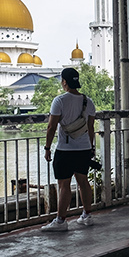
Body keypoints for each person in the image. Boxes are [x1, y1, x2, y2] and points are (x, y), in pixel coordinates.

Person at [41, 67, 97, 231]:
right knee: (83, 181)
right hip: (84, 148)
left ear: (64, 82)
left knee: (64, 185)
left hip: (65, 149)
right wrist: (91, 147)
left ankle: (61, 221)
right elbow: (91, 127)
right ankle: (87, 215)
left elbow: (51, 127)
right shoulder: (88, 101)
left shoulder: (59, 101)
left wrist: (47, 148)